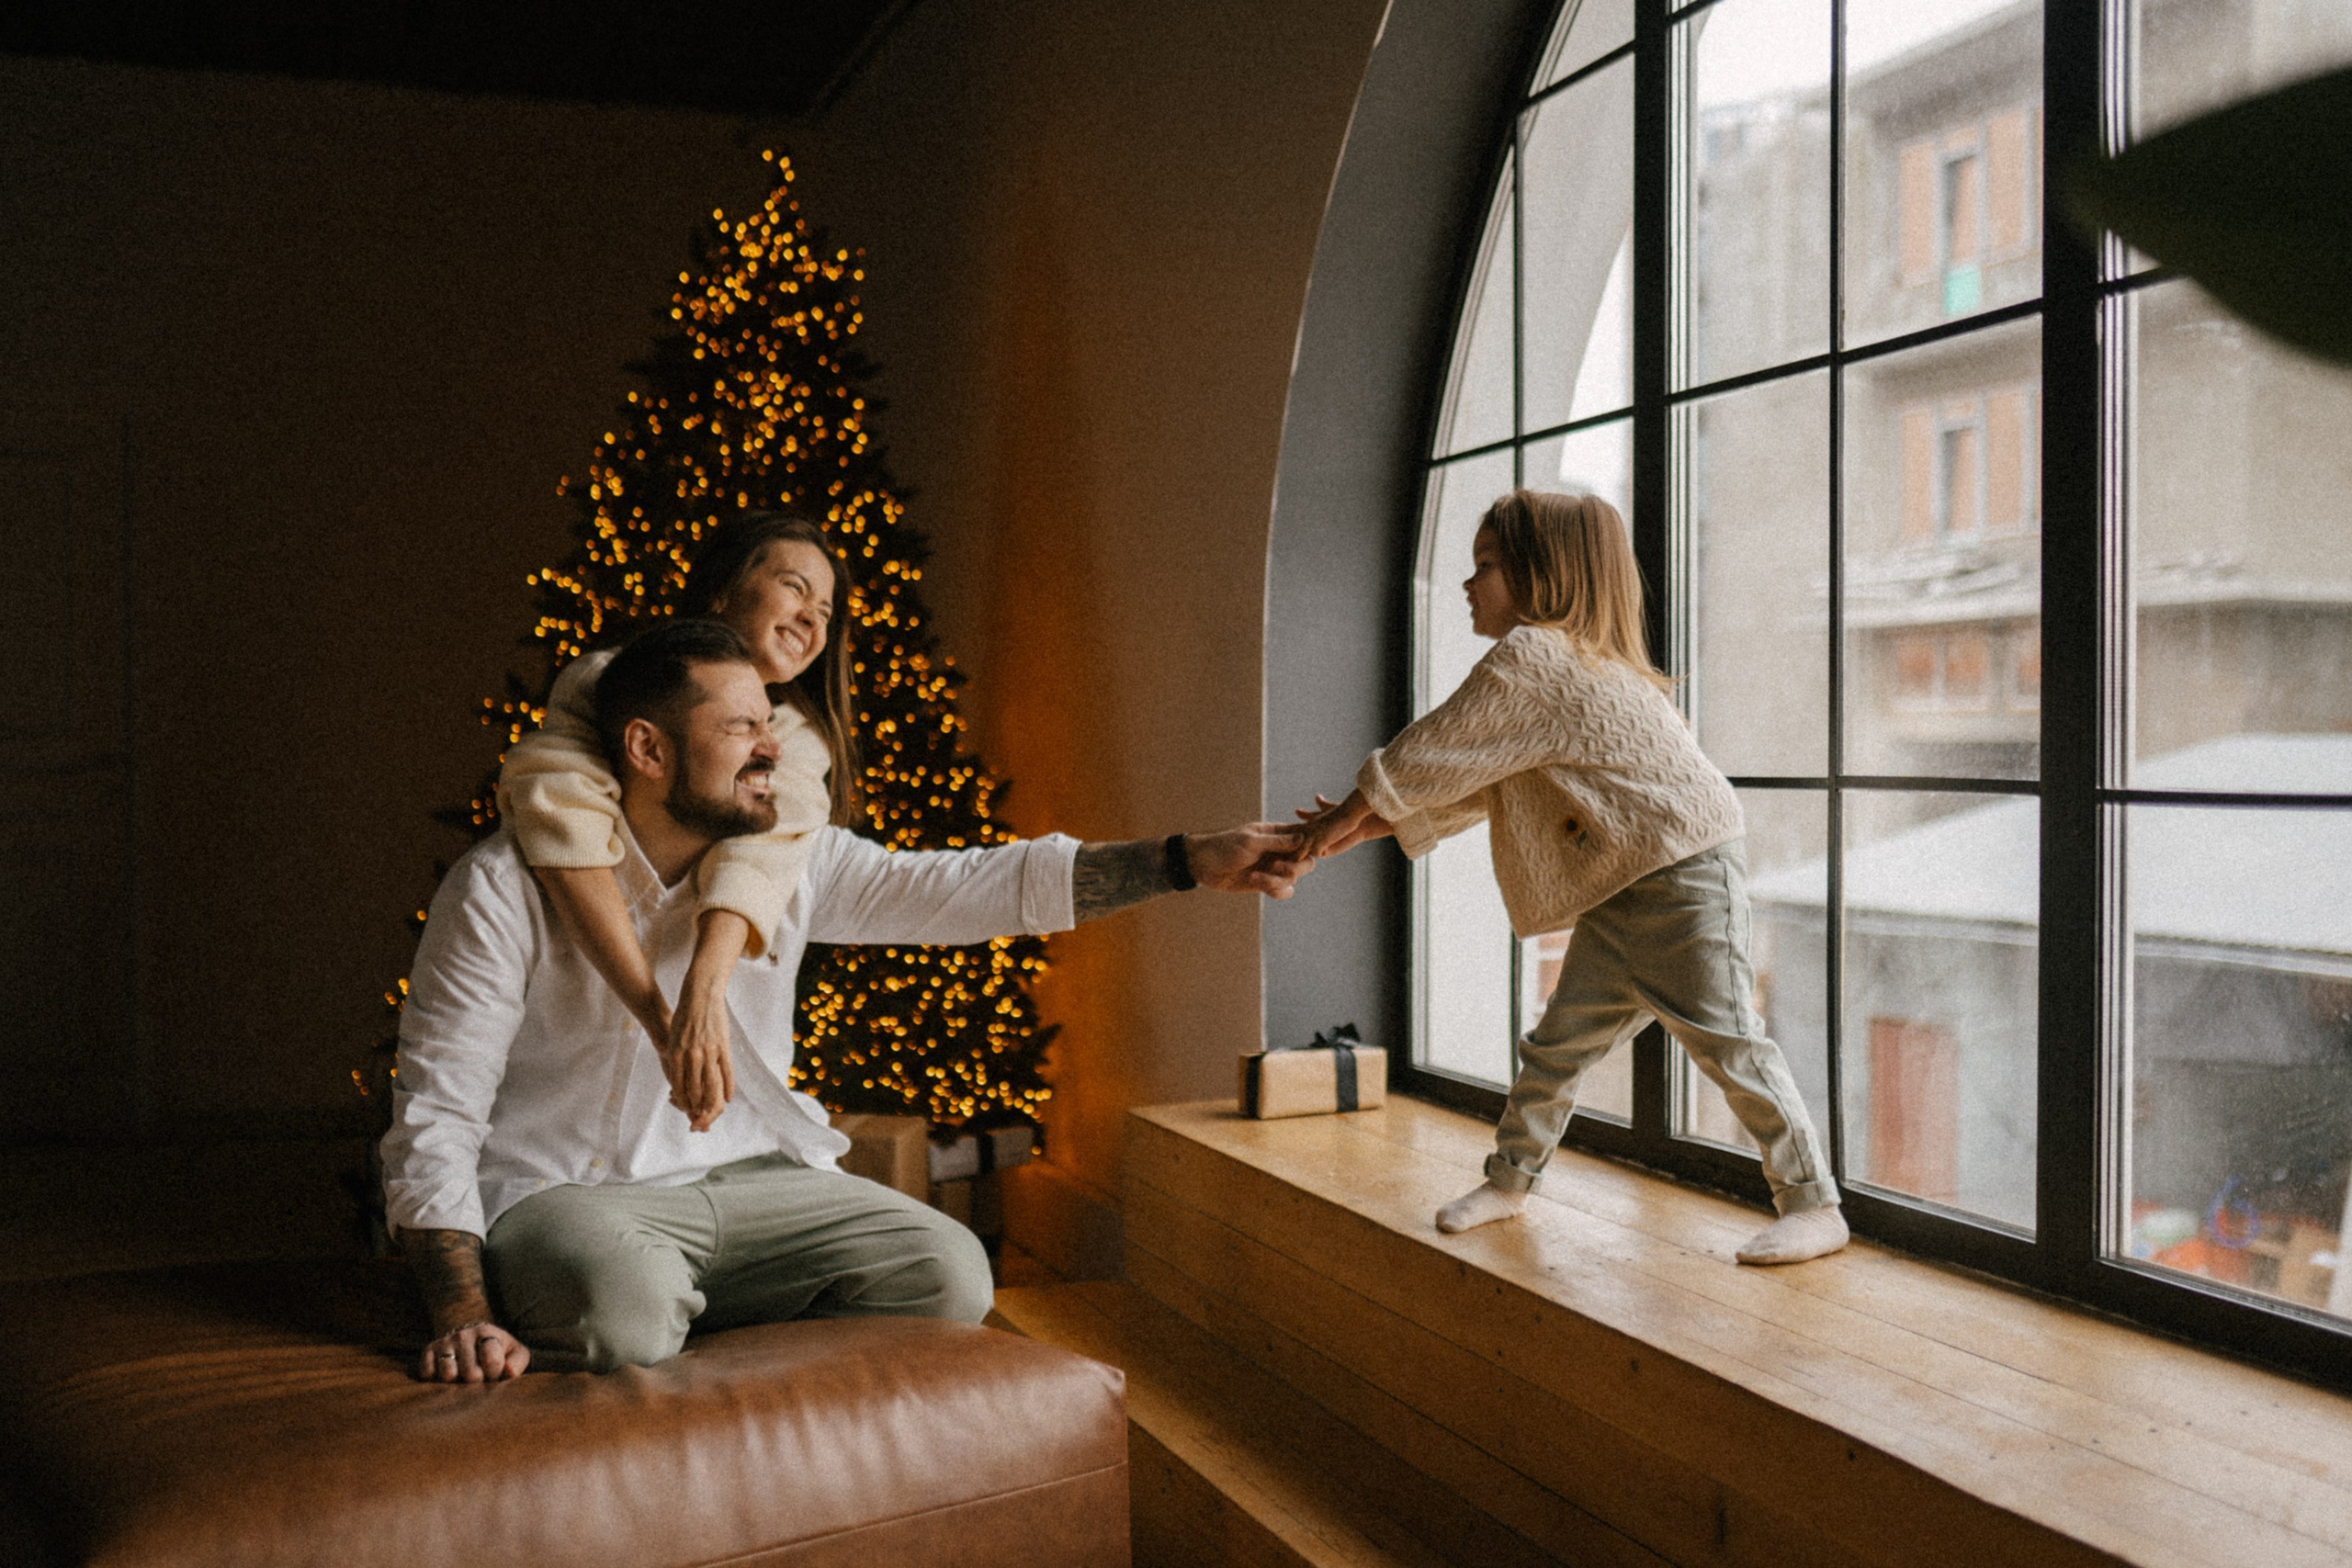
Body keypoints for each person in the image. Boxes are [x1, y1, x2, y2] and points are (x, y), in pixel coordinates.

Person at [385, 617, 1313, 1382]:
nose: (773, 750)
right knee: (619, 1308)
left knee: (947, 1271)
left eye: (771, 725)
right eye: (742, 729)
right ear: (647, 748)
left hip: (756, 1186)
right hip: (569, 1194)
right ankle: (656, 1326)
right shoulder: (501, 887)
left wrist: (1188, 860)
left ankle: (683, 1326)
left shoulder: (791, 861)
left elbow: (974, 888)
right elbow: (438, 1107)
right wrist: (462, 1312)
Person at [1296, 490, 1846, 1266]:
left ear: (1536, 575)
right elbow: (1463, 788)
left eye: (1485, 566)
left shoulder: (1535, 656)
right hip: (1626, 887)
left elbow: (1424, 752)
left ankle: (1814, 1204)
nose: (1468, 584)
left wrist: (1335, 821)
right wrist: (1342, 832)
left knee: (1731, 1045)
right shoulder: (1556, 668)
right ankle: (1509, 1183)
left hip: (1684, 875)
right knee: (1556, 1047)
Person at [497, 511, 847, 1132]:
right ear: (722, 590)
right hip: (560, 1027)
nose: (812, 618)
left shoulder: (800, 745)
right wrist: (663, 1021)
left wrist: (704, 988)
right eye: (796, 587)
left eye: (825, 610)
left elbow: (758, 854)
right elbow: (560, 818)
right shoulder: (606, 682)